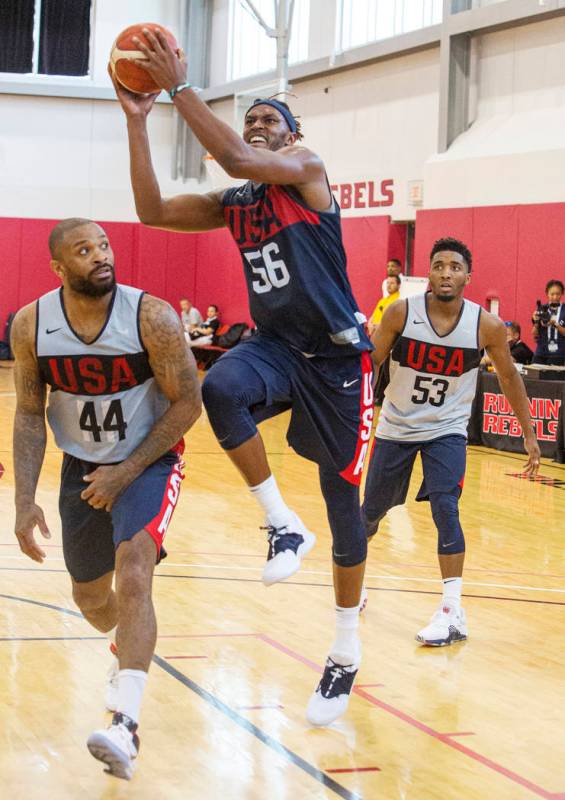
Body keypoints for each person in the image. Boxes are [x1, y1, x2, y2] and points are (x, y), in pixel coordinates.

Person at [111, 28, 374, 727]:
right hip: (276, 345)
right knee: (217, 389)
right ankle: (280, 525)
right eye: (251, 119)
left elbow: (231, 152)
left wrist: (176, 88)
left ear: (291, 139)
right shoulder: (237, 205)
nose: (257, 128)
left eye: (269, 124)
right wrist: (138, 123)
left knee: (344, 512)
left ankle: (344, 648)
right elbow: (151, 212)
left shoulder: (308, 170)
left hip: (340, 360)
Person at [11, 218, 201, 779]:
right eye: (84, 250)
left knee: (135, 572)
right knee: (93, 604)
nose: (100, 256)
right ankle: (125, 639)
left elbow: (188, 403)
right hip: (82, 469)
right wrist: (24, 501)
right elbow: (27, 413)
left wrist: (129, 469)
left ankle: (125, 722)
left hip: (149, 460)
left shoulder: (152, 317)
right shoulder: (32, 325)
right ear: (58, 266)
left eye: (104, 245)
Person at [363, 237, 540, 646]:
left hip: (448, 428)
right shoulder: (400, 313)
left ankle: (451, 609)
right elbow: (367, 366)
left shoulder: (485, 326)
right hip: (396, 426)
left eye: (455, 267)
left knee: (446, 506)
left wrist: (529, 435)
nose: (446, 272)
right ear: (429, 272)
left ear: (467, 276)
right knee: (369, 516)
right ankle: (356, 583)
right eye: (439, 265)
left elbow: (510, 378)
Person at [531, 280, 565, 366]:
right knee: (534, 376)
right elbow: (534, 333)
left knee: (552, 378)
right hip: (541, 352)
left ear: (562, 294)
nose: (555, 297)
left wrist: (555, 324)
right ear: (547, 294)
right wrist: (536, 322)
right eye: (552, 294)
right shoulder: (541, 309)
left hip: (558, 353)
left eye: (558, 294)